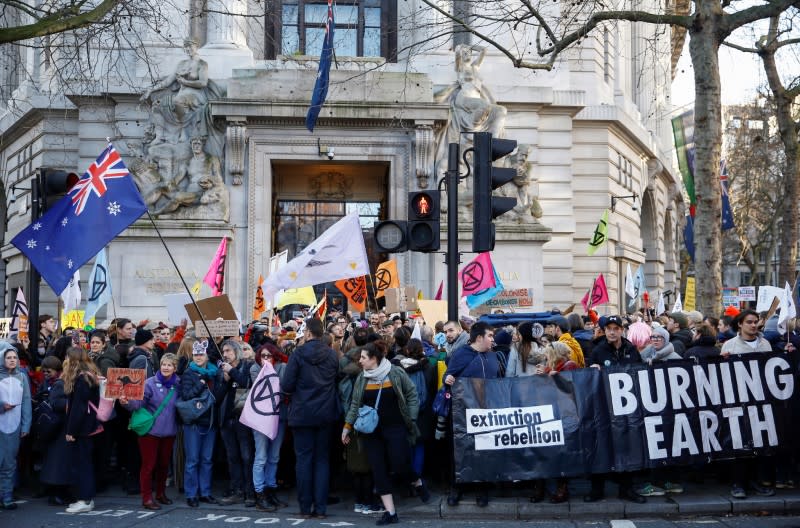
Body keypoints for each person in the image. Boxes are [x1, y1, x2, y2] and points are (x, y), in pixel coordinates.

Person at [342, 341, 430, 526]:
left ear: (374, 359)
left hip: (396, 428)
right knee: (379, 470)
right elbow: (355, 405)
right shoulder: (362, 378)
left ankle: (416, 481)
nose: (360, 361)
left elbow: (412, 394)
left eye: (363, 358)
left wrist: (412, 418)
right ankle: (391, 512)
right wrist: (347, 427)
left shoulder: (395, 372)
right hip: (371, 432)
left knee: (400, 465)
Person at [282, 318, 340, 519]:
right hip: (325, 414)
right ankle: (321, 509)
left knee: (304, 461)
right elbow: (337, 380)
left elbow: (287, 385)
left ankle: (305, 508)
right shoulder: (332, 355)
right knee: (322, 461)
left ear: (308, 333)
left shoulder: (298, 354)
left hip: (302, 414)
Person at [585, 315, 645, 504]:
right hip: (603, 407)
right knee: (601, 446)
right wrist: (592, 370)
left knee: (628, 446)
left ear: (621, 330)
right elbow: (587, 378)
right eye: (608, 328)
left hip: (627, 408)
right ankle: (597, 490)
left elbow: (640, 372)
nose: (611, 332)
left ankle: (626, 489)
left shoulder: (631, 349)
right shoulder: (597, 350)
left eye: (615, 328)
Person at [443, 321, 498, 507]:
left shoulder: (493, 357)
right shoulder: (460, 355)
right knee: (460, 451)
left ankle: (481, 489)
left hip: (485, 412)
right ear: (480, 337)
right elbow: (448, 378)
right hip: (462, 413)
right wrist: (447, 379)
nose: (493, 339)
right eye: (490, 336)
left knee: (483, 451)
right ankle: (457, 488)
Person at [120, 353, 180, 510]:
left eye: (169, 365)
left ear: (175, 367)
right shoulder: (149, 383)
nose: (165, 367)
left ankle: (160, 494)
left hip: (169, 432)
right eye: (163, 364)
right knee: (149, 466)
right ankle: (146, 498)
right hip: (150, 432)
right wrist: (126, 403)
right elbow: (137, 405)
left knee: (163, 465)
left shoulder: (178, 384)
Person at [179, 340, 225, 508]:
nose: (198, 357)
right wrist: (200, 383)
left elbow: (219, 396)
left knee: (207, 459)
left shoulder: (215, 373)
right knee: (193, 460)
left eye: (201, 354)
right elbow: (185, 396)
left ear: (207, 356)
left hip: (211, 421)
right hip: (194, 422)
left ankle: (205, 492)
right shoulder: (189, 373)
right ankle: (191, 494)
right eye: (196, 354)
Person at [532, 342, 577, 503]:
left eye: (547, 354)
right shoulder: (551, 367)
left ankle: (561, 488)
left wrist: (551, 374)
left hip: (563, 414)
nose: (545, 357)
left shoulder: (569, 366)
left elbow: (569, 388)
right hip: (550, 413)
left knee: (560, 453)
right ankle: (541, 486)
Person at [250, 343, 289, 512]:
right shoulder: (254, 369)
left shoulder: (283, 367)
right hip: (261, 418)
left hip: (279, 416)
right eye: (263, 356)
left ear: (275, 356)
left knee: (274, 456)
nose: (265, 359)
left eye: (269, 356)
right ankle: (259, 494)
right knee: (261, 457)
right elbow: (263, 390)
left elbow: (284, 389)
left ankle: (270, 490)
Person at [62, 346, 102, 513]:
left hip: (82, 429)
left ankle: (84, 499)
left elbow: (78, 408)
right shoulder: (89, 376)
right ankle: (86, 498)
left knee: (82, 464)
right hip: (89, 426)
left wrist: (71, 431)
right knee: (85, 463)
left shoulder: (80, 380)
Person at [218, 340, 256, 506]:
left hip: (243, 419)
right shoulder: (223, 370)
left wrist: (232, 372)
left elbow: (248, 383)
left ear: (236, 351)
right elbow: (217, 397)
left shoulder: (247, 366)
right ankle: (237, 490)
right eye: (223, 351)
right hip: (227, 419)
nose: (225, 354)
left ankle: (250, 493)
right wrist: (225, 381)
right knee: (232, 457)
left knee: (247, 456)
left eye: (228, 351)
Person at [0, 344, 32, 510]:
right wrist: (1, 406)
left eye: (14, 358)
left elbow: (26, 401)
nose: (12, 360)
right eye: (8, 358)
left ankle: (6, 495)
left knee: (10, 463)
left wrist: (26, 424)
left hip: (14, 425)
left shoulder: (22, 377)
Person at [36, 356, 71, 506]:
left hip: (56, 426)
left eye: (48, 371)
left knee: (58, 462)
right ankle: (55, 493)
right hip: (56, 427)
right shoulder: (58, 383)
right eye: (44, 371)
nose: (46, 373)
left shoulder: (57, 383)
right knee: (56, 462)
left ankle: (57, 492)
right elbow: (56, 403)